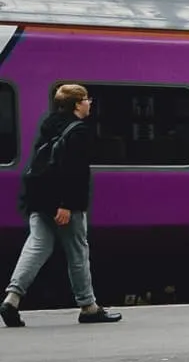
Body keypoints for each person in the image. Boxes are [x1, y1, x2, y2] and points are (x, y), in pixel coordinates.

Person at [3, 84, 121, 327]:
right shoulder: (79, 132)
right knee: (78, 251)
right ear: (77, 104)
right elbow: (73, 173)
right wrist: (66, 205)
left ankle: (11, 300)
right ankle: (88, 307)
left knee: (36, 247)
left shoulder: (50, 124)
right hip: (64, 204)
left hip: (38, 198)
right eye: (87, 99)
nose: (90, 103)